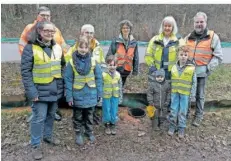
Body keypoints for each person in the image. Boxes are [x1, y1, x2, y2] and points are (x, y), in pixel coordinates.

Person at [21, 21, 64, 160]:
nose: (50, 33)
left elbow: (62, 67)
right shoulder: (30, 48)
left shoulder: (57, 47)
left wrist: (61, 88)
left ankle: (47, 137)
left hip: (55, 90)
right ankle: (35, 145)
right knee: (39, 118)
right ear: (40, 31)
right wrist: (32, 92)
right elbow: (26, 73)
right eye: (47, 30)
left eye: (52, 31)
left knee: (51, 116)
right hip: (39, 92)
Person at [19, 6, 69, 122]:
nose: (45, 17)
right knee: (35, 92)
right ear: (37, 15)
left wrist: (64, 58)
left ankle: (53, 111)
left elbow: (62, 46)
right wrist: (33, 60)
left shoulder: (55, 29)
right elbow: (22, 45)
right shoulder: (30, 28)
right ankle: (35, 112)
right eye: (43, 15)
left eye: (48, 15)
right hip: (35, 65)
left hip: (53, 67)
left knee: (53, 91)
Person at [185, 12, 223, 127]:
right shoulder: (188, 37)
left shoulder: (213, 37)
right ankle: (185, 113)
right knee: (186, 93)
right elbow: (181, 51)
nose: (199, 24)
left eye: (201, 22)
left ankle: (198, 115)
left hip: (202, 72)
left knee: (199, 95)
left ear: (205, 22)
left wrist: (208, 68)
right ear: (194, 23)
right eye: (197, 22)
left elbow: (218, 56)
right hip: (188, 72)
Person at [64, 36, 102, 146]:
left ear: (88, 48)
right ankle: (78, 133)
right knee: (78, 115)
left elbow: (99, 78)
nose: (83, 49)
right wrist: (69, 96)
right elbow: (68, 79)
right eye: (81, 47)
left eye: (86, 47)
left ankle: (89, 132)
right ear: (77, 47)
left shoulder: (94, 61)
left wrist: (99, 93)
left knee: (90, 115)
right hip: (77, 94)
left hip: (91, 93)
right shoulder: (71, 62)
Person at [167, 45, 197, 138]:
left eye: (185, 55)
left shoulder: (191, 68)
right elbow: (170, 81)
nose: (183, 56)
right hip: (174, 93)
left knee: (182, 111)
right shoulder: (173, 67)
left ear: (188, 56)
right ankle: (172, 126)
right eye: (181, 54)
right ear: (178, 56)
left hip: (185, 94)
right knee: (173, 109)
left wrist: (192, 94)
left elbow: (194, 82)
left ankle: (181, 127)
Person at [145, 16, 185, 80]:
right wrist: (152, 67)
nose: (167, 28)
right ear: (162, 26)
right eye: (165, 26)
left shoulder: (179, 41)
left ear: (173, 27)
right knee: (156, 89)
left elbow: (183, 56)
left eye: (169, 26)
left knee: (169, 90)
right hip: (156, 72)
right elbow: (148, 55)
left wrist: (177, 69)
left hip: (171, 74)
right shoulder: (155, 40)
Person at [106, 20, 139, 86]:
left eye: (127, 28)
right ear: (121, 29)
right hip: (117, 69)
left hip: (127, 69)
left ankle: (120, 95)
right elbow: (109, 54)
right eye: (123, 28)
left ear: (130, 29)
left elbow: (136, 57)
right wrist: (108, 67)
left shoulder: (134, 42)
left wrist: (135, 71)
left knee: (121, 86)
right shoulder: (116, 41)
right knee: (115, 86)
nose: (125, 29)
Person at [102, 55, 123, 135]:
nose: (112, 67)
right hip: (106, 96)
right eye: (110, 65)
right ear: (107, 65)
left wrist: (120, 96)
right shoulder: (103, 74)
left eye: (114, 65)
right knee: (106, 109)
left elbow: (120, 86)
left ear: (116, 65)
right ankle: (107, 124)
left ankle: (113, 123)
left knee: (114, 109)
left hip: (115, 96)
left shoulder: (118, 75)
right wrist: (100, 97)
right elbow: (101, 85)